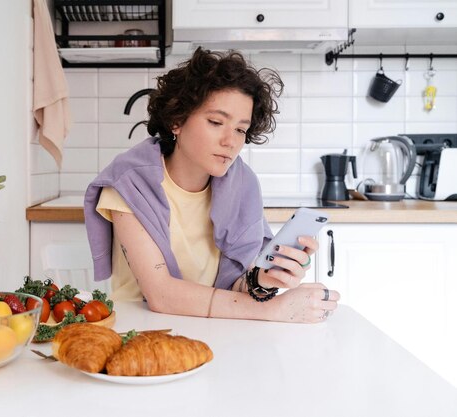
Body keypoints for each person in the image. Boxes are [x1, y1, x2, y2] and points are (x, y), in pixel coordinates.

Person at [84, 47, 340, 323]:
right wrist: (272, 310)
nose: (231, 141)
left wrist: (263, 279)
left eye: (241, 129)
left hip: (217, 326)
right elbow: (160, 294)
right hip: (141, 329)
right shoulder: (129, 183)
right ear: (176, 120)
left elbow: (235, 288)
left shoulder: (242, 185)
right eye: (216, 122)